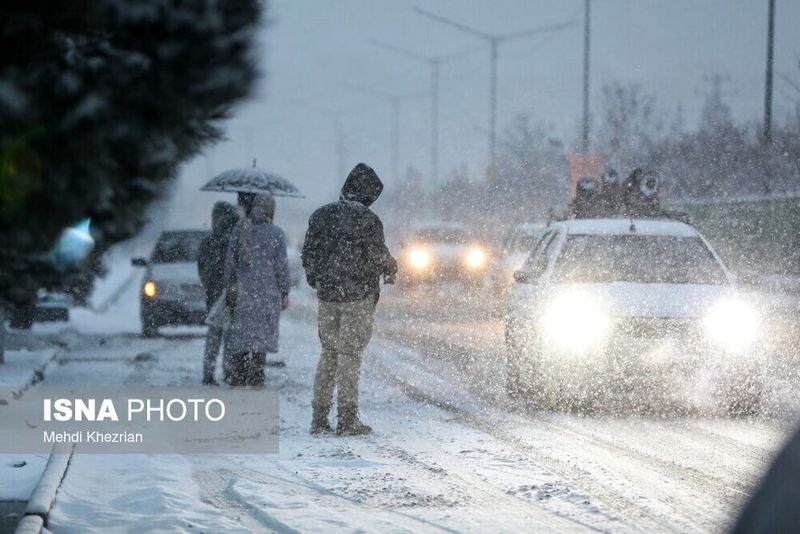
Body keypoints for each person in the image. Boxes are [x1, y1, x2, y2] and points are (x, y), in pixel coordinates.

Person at [302, 163, 397, 436]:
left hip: (329, 297)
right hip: (358, 297)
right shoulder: (369, 220)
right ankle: (347, 418)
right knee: (350, 356)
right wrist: (390, 267)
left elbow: (309, 255)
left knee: (328, 354)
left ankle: (319, 418)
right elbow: (379, 255)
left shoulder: (320, 216)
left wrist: (319, 281)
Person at [224, 194, 290, 386]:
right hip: (267, 293)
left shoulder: (240, 229)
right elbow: (281, 266)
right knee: (261, 337)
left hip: (242, 292)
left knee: (241, 335)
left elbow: (229, 262)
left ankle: (238, 373)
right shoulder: (276, 233)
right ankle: (256, 374)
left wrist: (230, 285)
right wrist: (284, 291)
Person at [197, 201, 239, 386]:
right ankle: (228, 371)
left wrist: (209, 281)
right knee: (230, 333)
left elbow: (202, 266)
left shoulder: (210, 241)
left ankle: (209, 372)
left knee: (215, 334)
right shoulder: (235, 239)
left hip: (216, 292)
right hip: (231, 291)